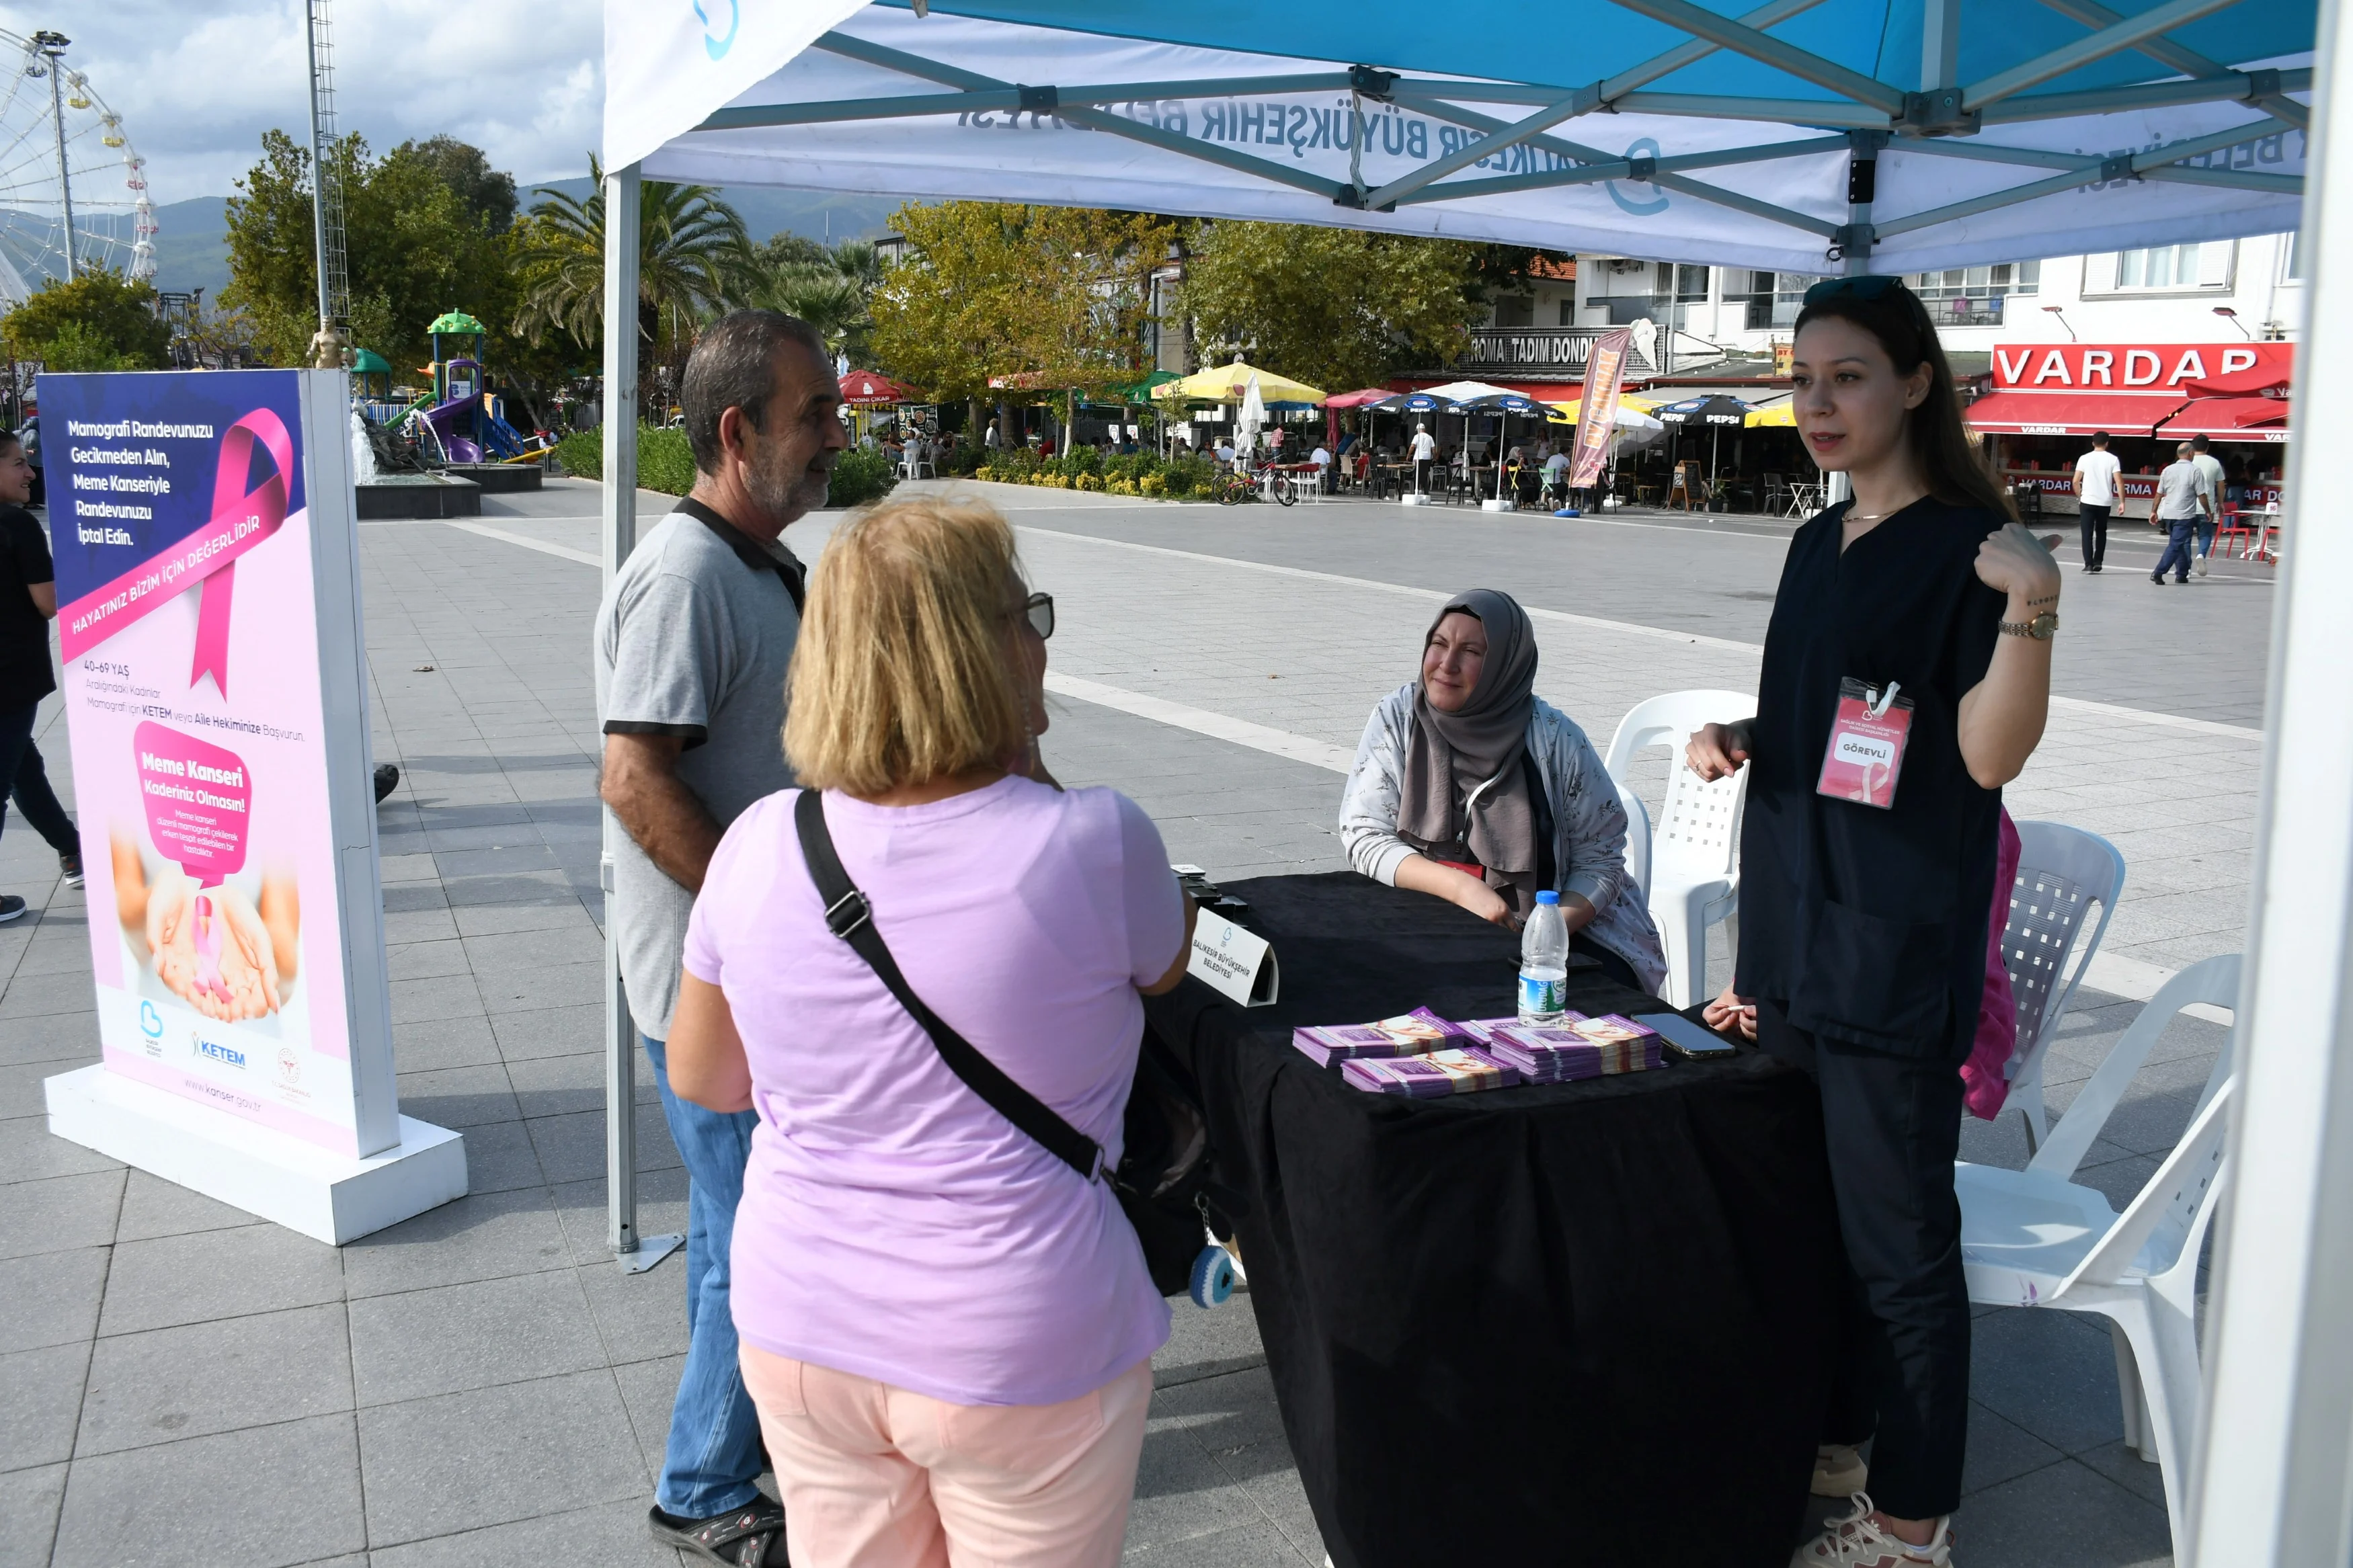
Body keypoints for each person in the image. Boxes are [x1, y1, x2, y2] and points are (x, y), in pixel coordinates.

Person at [666, 495, 1193, 1568]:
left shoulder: (762, 843)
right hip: (1017, 1335)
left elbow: (706, 1075)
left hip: (802, 1322)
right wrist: (1020, 758)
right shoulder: (1095, 841)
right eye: (1027, 618)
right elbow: (1170, 961)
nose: (1041, 640)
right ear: (981, 653)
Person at [1685, 277, 2059, 1568]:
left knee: (1901, 1246)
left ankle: (1910, 1519)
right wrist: (1744, 732)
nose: (1819, 403)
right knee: (1812, 1219)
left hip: (1893, 947)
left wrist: (2034, 609)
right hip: (1792, 937)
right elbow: (1837, 707)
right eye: (1803, 380)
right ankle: (1840, 1438)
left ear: (1913, 381)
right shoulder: (1815, 539)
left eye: (1847, 375)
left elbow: (1987, 753)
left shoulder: (1972, 548)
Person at [594, 309, 846, 1567]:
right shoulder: (689, 574)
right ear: (738, 430)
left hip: (746, 979)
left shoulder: (751, 565)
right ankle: (704, 1487)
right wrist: (763, 930)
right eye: (816, 415)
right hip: (717, 988)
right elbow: (635, 779)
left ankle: (716, 1467)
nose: (837, 437)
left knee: (735, 1229)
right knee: (757, 1236)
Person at [1339, 589, 1667, 993]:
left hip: (1562, 936)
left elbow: (1601, 862)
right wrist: (1461, 888)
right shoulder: (1399, 715)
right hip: (1424, 921)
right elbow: (1365, 835)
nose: (1447, 664)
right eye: (1439, 644)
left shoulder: (1555, 741)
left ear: (1504, 665)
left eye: (1472, 652)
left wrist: (1544, 936)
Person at [0, 429, 80, 915]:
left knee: (23, 766)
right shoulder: (17, 525)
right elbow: (47, 603)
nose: (30, 472)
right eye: (16, 463)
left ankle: (73, 850)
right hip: (11, 678)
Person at [2151, 440, 2209, 585]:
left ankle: (2182, 574)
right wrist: (2208, 511)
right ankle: (2159, 572)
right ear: (2191, 453)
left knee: (2179, 543)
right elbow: (2202, 495)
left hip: (2169, 514)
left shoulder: (2167, 470)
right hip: (2184, 516)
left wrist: (2154, 511)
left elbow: (2159, 493)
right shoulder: (2195, 471)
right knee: (2176, 545)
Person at [2071, 430, 2119, 574]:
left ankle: (2089, 564)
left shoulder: (2084, 458)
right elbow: (2119, 481)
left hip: (2087, 501)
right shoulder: (2113, 459)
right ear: (2107, 443)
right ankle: (2098, 561)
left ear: (2093, 443)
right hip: (2105, 501)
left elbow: (2075, 481)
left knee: (2087, 533)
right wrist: (2122, 501)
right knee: (2101, 532)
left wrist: (2081, 496)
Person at [2189, 434, 2227, 576]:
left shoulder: (2188, 461)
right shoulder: (2215, 463)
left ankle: (2185, 568)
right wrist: (2221, 502)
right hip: (2207, 507)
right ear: (2208, 447)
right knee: (2205, 535)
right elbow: (2221, 484)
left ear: (2192, 446)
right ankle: (2201, 555)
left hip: (2187, 507)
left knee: (2185, 538)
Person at [1410, 420, 1437, 493]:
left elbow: (1412, 447)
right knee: (1425, 475)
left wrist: (1408, 455)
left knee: (1416, 474)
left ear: (1418, 430)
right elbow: (1433, 449)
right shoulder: (1430, 437)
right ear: (1424, 429)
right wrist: (1435, 457)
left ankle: (1416, 490)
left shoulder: (1417, 436)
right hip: (1427, 459)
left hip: (1418, 458)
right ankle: (1425, 491)